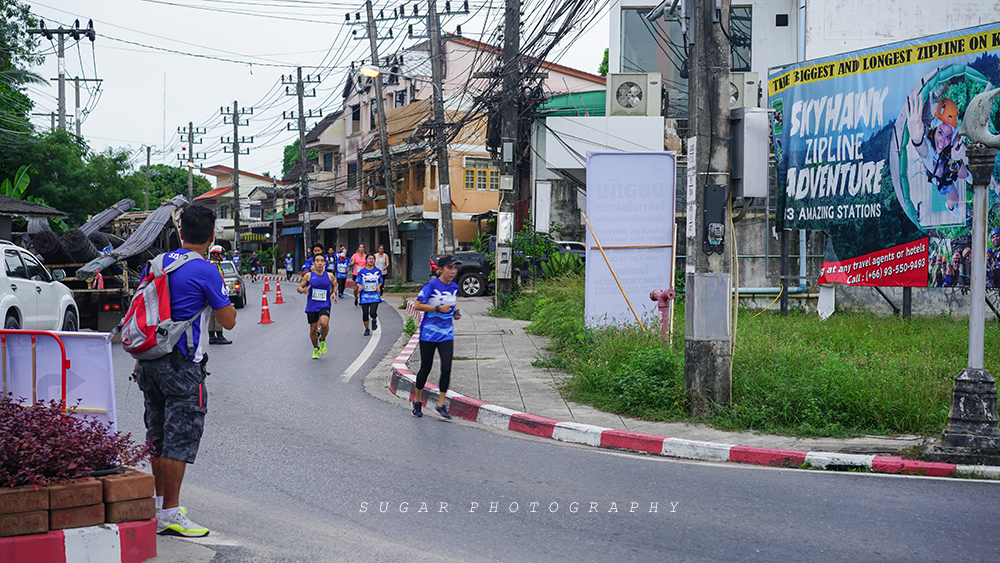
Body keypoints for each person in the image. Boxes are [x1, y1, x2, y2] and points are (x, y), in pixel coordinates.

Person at [135, 205, 236, 538]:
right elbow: (228, 321)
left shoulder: (157, 263)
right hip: (182, 365)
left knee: (157, 435)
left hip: (148, 360)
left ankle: (160, 505)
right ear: (211, 237)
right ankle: (170, 514)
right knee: (179, 439)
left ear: (180, 234)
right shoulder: (207, 271)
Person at [410, 254, 461, 419]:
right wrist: (437, 308)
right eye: (449, 268)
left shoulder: (454, 287)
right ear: (441, 269)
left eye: (455, 268)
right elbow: (418, 305)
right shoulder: (430, 285)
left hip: (447, 333)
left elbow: (452, 304)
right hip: (429, 333)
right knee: (426, 367)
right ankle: (417, 401)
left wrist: (456, 312)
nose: (453, 271)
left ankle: (440, 405)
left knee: (446, 368)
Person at [907, 95, 969, 215]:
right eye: (940, 132)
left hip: (950, 168)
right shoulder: (929, 150)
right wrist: (916, 139)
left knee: (965, 173)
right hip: (941, 180)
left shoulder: (950, 143)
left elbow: (963, 174)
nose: (943, 141)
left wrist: (956, 159)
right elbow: (922, 148)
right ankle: (950, 207)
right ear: (934, 129)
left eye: (948, 136)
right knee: (954, 198)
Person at [297, 254, 338, 359]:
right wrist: (303, 290)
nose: (319, 263)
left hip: (325, 304)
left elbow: (334, 285)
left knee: (324, 324)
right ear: (314, 263)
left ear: (324, 263)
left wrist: (334, 293)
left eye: (321, 261)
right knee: (313, 329)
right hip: (312, 306)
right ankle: (316, 348)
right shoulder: (309, 276)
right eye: (317, 261)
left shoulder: (329, 276)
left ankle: (323, 339)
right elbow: (299, 288)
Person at [206, 245, 232, 345]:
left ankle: (212, 337)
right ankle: (220, 336)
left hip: (210, 292)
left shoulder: (210, 264)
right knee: (218, 314)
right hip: (216, 292)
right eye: (221, 255)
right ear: (216, 254)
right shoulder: (214, 265)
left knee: (212, 315)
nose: (223, 256)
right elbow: (217, 279)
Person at [355, 254, 383, 336]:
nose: (371, 260)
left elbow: (381, 281)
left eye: (372, 259)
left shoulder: (378, 271)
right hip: (364, 296)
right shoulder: (362, 272)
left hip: (374, 295)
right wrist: (359, 286)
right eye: (369, 259)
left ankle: (374, 320)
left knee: (373, 312)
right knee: (365, 313)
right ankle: (367, 329)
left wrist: (378, 286)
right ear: (366, 260)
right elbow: (357, 282)